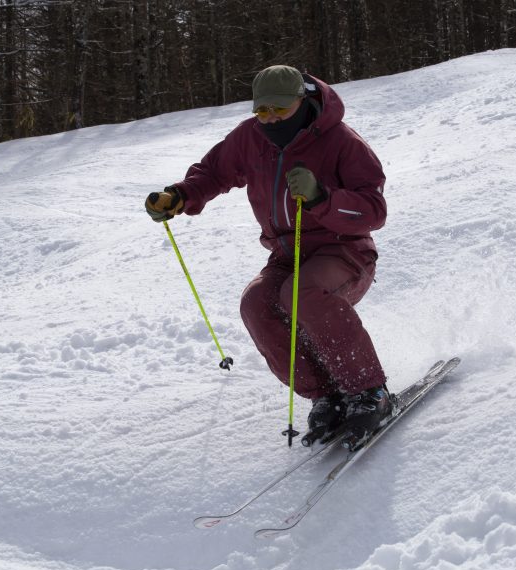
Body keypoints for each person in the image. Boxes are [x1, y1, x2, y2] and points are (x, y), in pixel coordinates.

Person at [145, 65, 390, 441]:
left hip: (345, 252)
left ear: (302, 100)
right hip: (286, 255)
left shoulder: (340, 141)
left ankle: (369, 391)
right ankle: (326, 394)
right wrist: (180, 195)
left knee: (301, 293)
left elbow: (373, 211)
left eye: (280, 109)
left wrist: (323, 197)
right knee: (256, 303)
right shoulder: (250, 138)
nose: (271, 118)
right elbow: (213, 172)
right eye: (262, 110)